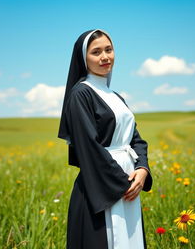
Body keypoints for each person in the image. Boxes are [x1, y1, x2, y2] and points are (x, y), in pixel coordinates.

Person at [58, 29, 153, 249]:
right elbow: (88, 148)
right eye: (96, 52)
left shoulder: (116, 96)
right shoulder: (81, 94)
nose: (105, 57)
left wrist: (142, 169)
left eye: (108, 50)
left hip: (129, 180)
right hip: (102, 186)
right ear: (84, 58)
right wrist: (123, 183)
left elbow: (136, 140)